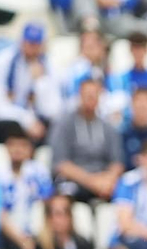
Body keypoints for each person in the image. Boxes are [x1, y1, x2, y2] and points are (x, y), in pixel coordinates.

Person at [49, 75, 125, 203]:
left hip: (104, 183)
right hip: (75, 181)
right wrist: (91, 181)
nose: (91, 98)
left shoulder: (108, 127)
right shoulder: (64, 124)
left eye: (94, 95)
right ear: (79, 95)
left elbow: (117, 162)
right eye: (87, 94)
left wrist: (108, 181)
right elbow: (61, 163)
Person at [0, 23, 64, 144]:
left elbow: (53, 110)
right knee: (12, 127)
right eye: (28, 43)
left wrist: (40, 82)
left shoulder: (51, 65)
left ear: (43, 45)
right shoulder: (3, 61)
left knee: (57, 128)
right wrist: (26, 119)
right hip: (11, 120)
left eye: (36, 44)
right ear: (21, 42)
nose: (31, 48)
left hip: (39, 121)